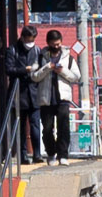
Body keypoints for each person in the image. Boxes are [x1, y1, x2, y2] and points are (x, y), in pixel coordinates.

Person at [35, 30, 82, 164]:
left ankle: (63, 155)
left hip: (63, 98)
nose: (56, 46)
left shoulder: (69, 58)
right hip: (46, 98)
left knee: (64, 127)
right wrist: (47, 68)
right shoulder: (41, 57)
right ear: (48, 43)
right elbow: (34, 76)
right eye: (53, 44)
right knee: (47, 128)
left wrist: (62, 71)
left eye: (58, 44)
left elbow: (76, 76)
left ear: (61, 42)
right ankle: (50, 153)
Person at [1, 26, 47, 163]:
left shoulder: (38, 50)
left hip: (34, 93)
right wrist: (24, 70)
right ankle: (23, 155)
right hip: (18, 93)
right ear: (22, 37)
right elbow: (9, 70)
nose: (30, 43)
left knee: (35, 125)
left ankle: (37, 153)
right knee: (20, 127)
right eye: (28, 40)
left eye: (32, 40)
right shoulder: (12, 50)